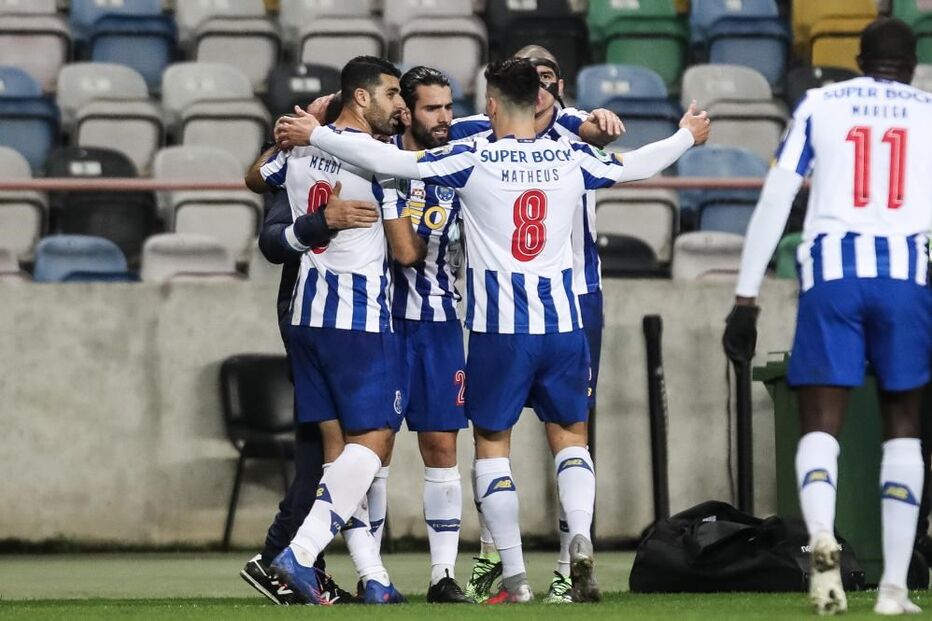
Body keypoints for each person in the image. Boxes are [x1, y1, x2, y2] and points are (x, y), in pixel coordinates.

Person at [277, 57, 709, 604]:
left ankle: (517, 578)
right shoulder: (573, 156)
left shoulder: (473, 156)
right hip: (565, 324)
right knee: (572, 437)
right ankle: (577, 538)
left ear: (493, 105)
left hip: (499, 329)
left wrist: (316, 132)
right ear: (541, 102)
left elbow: (388, 161)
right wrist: (687, 135)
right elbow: (638, 164)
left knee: (490, 445)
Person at [722, 18, 932, 616]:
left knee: (820, 423)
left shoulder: (820, 102)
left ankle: (821, 534)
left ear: (860, 61)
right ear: (912, 65)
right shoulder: (927, 110)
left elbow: (776, 196)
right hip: (903, 278)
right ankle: (893, 589)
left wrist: (746, 297)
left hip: (832, 278)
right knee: (903, 427)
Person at [245, 55, 425, 605]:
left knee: (337, 454)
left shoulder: (302, 146)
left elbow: (254, 177)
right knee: (374, 442)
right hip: (358, 320)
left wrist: (295, 134)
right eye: (393, 94)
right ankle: (298, 554)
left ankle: (373, 579)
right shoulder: (382, 157)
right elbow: (404, 252)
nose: (401, 105)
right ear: (362, 98)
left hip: (305, 316)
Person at [449, 44, 623, 604]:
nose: (541, 87)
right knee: (540, 434)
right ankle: (497, 557)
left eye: (549, 77)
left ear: (560, 86)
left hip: (573, 299)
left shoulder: (578, 133)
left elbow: (593, 125)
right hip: (548, 307)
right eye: (532, 79)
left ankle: (551, 568)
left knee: (547, 431)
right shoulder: (485, 129)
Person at [239, 96, 379, 606]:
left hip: (364, 316)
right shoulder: (305, 161)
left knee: (330, 445)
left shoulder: (382, 154)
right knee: (325, 445)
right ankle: (284, 556)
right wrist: (321, 218)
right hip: (316, 313)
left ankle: (302, 561)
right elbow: (273, 236)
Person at [382, 66, 471, 603]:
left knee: (441, 446)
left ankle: (442, 576)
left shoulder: (460, 157)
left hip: (439, 321)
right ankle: (373, 573)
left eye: (448, 107)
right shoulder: (375, 156)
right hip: (380, 323)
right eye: (432, 108)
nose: (445, 118)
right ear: (406, 111)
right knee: (376, 449)